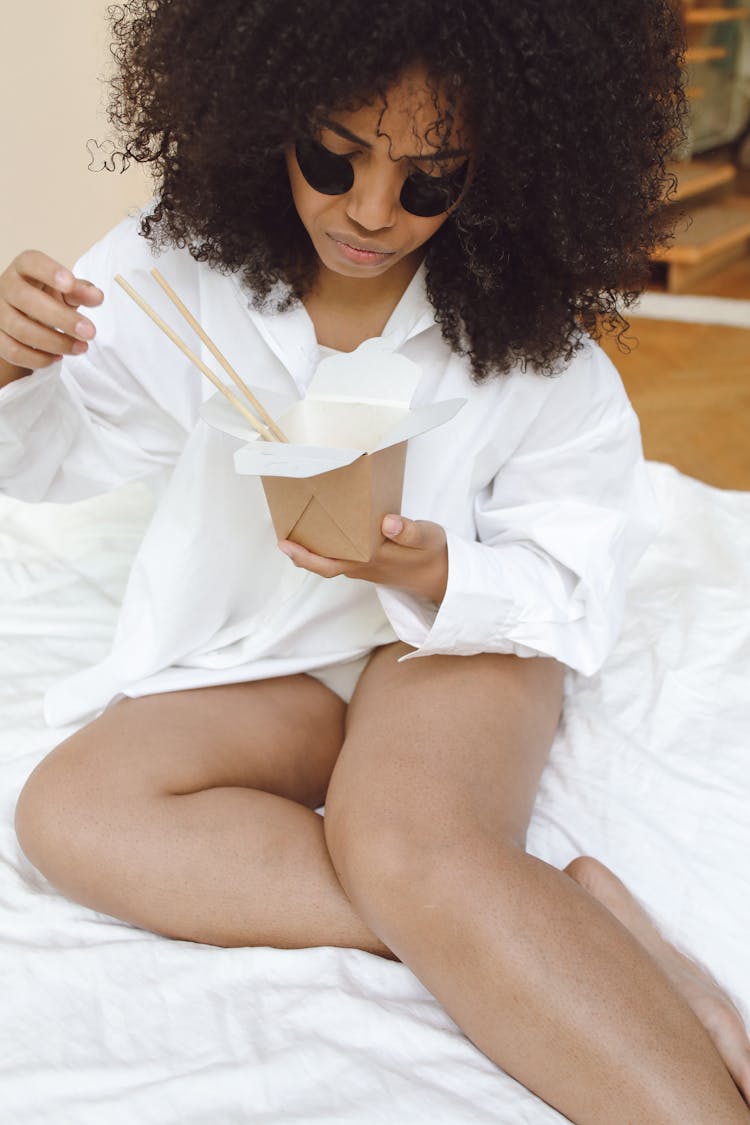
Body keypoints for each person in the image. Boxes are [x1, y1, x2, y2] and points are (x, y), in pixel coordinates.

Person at [2, 1, 749, 1120]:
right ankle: (564, 924)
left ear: (503, 165)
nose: (369, 214)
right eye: (332, 158)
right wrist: (17, 367)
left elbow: (572, 568)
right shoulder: (181, 262)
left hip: (452, 646)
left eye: (430, 180)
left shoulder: (530, 333)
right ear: (268, 115)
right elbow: (66, 452)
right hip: (273, 651)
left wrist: (440, 575)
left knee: (404, 843)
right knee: (71, 814)